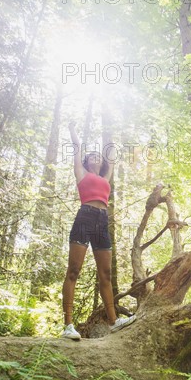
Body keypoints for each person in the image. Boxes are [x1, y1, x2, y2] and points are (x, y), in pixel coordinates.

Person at [61, 122, 136, 340]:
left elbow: (111, 160)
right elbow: (76, 148)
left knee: (105, 274)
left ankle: (114, 322)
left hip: (102, 222)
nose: (97, 158)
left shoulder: (104, 178)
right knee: (73, 270)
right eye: (92, 156)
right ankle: (68, 325)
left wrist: (112, 147)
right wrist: (73, 130)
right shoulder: (81, 172)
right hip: (85, 217)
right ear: (85, 161)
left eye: (98, 156)